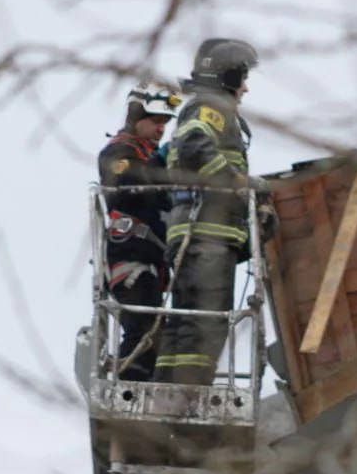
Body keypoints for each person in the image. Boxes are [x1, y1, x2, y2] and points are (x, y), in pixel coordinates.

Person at [154, 39, 274, 386]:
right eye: (243, 77)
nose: (246, 88)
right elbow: (193, 144)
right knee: (205, 324)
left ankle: (168, 395)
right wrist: (239, 182)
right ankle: (189, 402)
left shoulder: (208, 107)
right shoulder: (212, 106)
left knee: (184, 322)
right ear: (228, 75)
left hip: (196, 233)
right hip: (206, 235)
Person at [98, 82, 181, 381]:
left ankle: (146, 388)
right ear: (136, 118)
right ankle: (129, 392)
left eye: (165, 123)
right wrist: (163, 162)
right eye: (156, 121)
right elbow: (130, 178)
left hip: (154, 260)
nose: (161, 130)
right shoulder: (119, 152)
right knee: (143, 328)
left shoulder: (153, 156)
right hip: (129, 256)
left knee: (158, 330)